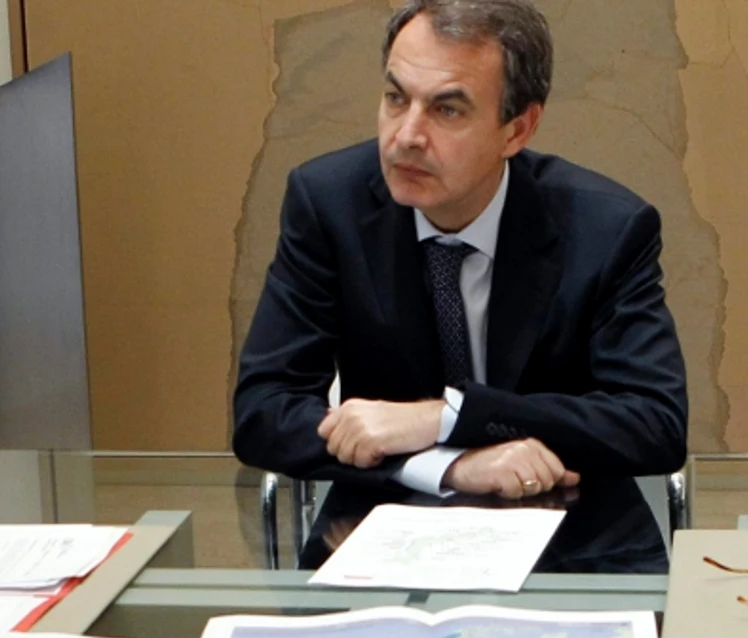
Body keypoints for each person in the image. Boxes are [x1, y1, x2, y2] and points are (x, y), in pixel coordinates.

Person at [232, 0, 688, 570]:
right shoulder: (329, 205)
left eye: (447, 110)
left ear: (517, 129)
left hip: (574, 540)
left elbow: (654, 422)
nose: (407, 136)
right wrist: (448, 465)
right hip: (377, 530)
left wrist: (444, 417)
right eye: (396, 98)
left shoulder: (606, 229)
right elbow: (263, 413)